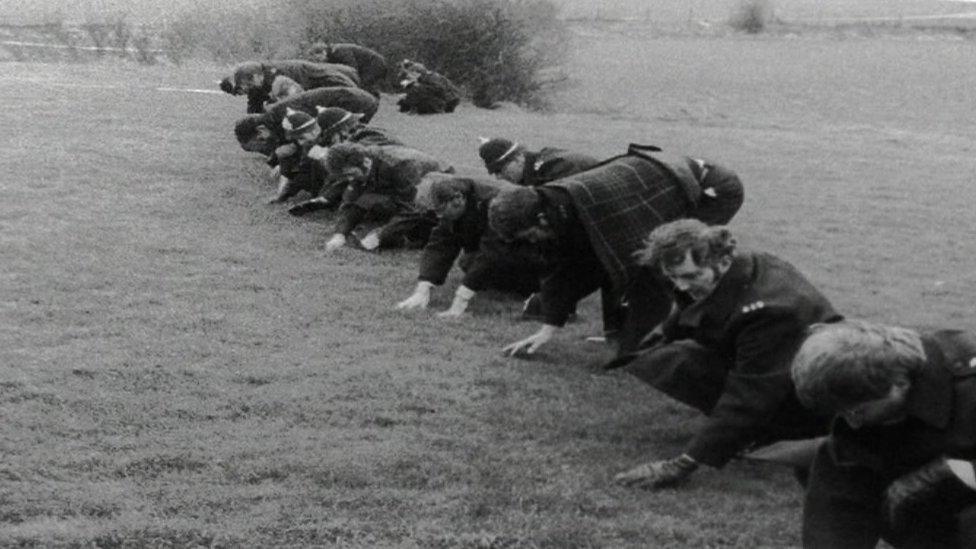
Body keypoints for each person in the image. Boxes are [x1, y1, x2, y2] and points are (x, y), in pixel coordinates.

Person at [611, 219, 841, 490]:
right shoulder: (744, 265)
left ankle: (775, 433)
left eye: (691, 276)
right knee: (669, 355)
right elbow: (690, 300)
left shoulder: (770, 312)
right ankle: (755, 430)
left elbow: (749, 394)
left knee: (680, 361)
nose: (681, 286)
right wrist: (666, 331)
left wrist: (683, 464)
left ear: (721, 262)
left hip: (812, 401)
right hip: (782, 370)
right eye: (673, 277)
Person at [489, 144, 729, 358]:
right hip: (656, 181)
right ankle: (625, 336)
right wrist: (547, 329)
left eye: (531, 235)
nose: (533, 242)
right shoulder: (554, 207)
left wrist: (632, 353)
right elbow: (558, 266)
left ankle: (704, 339)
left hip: (711, 189)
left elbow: (638, 272)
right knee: (611, 261)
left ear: (541, 219)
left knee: (669, 266)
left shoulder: (597, 209)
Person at [791, 320, 976, 548]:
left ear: (899, 383)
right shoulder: (859, 416)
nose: (853, 423)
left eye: (857, 410)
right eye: (841, 411)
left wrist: (944, 477)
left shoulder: (968, 380)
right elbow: (840, 511)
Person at [396, 176, 544, 317]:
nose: (439, 217)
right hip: (507, 245)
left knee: (480, 264)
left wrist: (461, 298)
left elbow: (492, 250)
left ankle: (539, 288)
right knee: (468, 262)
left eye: (440, 211)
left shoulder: (496, 202)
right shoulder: (456, 201)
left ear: (458, 199)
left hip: (539, 249)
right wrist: (423, 288)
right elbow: (441, 243)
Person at [320, 142, 451, 252]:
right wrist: (340, 234)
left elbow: (413, 207)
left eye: (350, 173)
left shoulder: (400, 166)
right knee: (369, 201)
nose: (349, 179)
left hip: (438, 186)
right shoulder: (363, 164)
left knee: (414, 228)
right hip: (403, 187)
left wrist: (380, 235)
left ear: (365, 162)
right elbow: (349, 203)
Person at [234, 87, 380, 157]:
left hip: (355, 100)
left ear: (260, 130)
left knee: (349, 139)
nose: (264, 148)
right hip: (355, 97)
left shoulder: (283, 116)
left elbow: (312, 134)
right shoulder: (274, 119)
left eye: (260, 143)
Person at [227, 60, 361, 114]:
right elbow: (254, 107)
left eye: (249, 83)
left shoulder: (283, 75)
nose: (248, 88)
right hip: (326, 79)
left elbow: (298, 101)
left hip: (339, 78)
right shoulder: (260, 80)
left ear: (257, 76)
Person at [477, 137, 599, 187]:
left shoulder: (553, 169)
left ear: (519, 158)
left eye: (500, 170)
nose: (499, 177)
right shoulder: (541, 166)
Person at [307, 42, 389, 97]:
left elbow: (352, 68)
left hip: (375, 64)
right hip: (369, 66)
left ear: (323, 52)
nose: (319, 62)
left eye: (318, 59)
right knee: (363, 87)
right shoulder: (333, 53)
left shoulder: (339, 51)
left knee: (361, 86)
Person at [396, 59, 461, 114]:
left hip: (449, 101)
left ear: (416, 73)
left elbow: (439, 89)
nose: (408, 77)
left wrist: (415, 86)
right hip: (448, 100)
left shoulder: (430, 77)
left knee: (417, 91)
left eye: (409, 75)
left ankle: (412, 107)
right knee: (416, 91)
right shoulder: (427, 76)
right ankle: (408, 106)